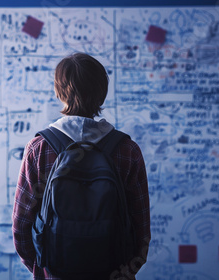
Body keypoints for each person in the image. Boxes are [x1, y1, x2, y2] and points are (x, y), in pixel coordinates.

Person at [12, 52, 151, 280]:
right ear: (102, 93)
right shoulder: (128, 151)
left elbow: (21, 229)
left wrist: (46, 270)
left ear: (59, 92)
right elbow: (141, 233)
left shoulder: (38, 149)